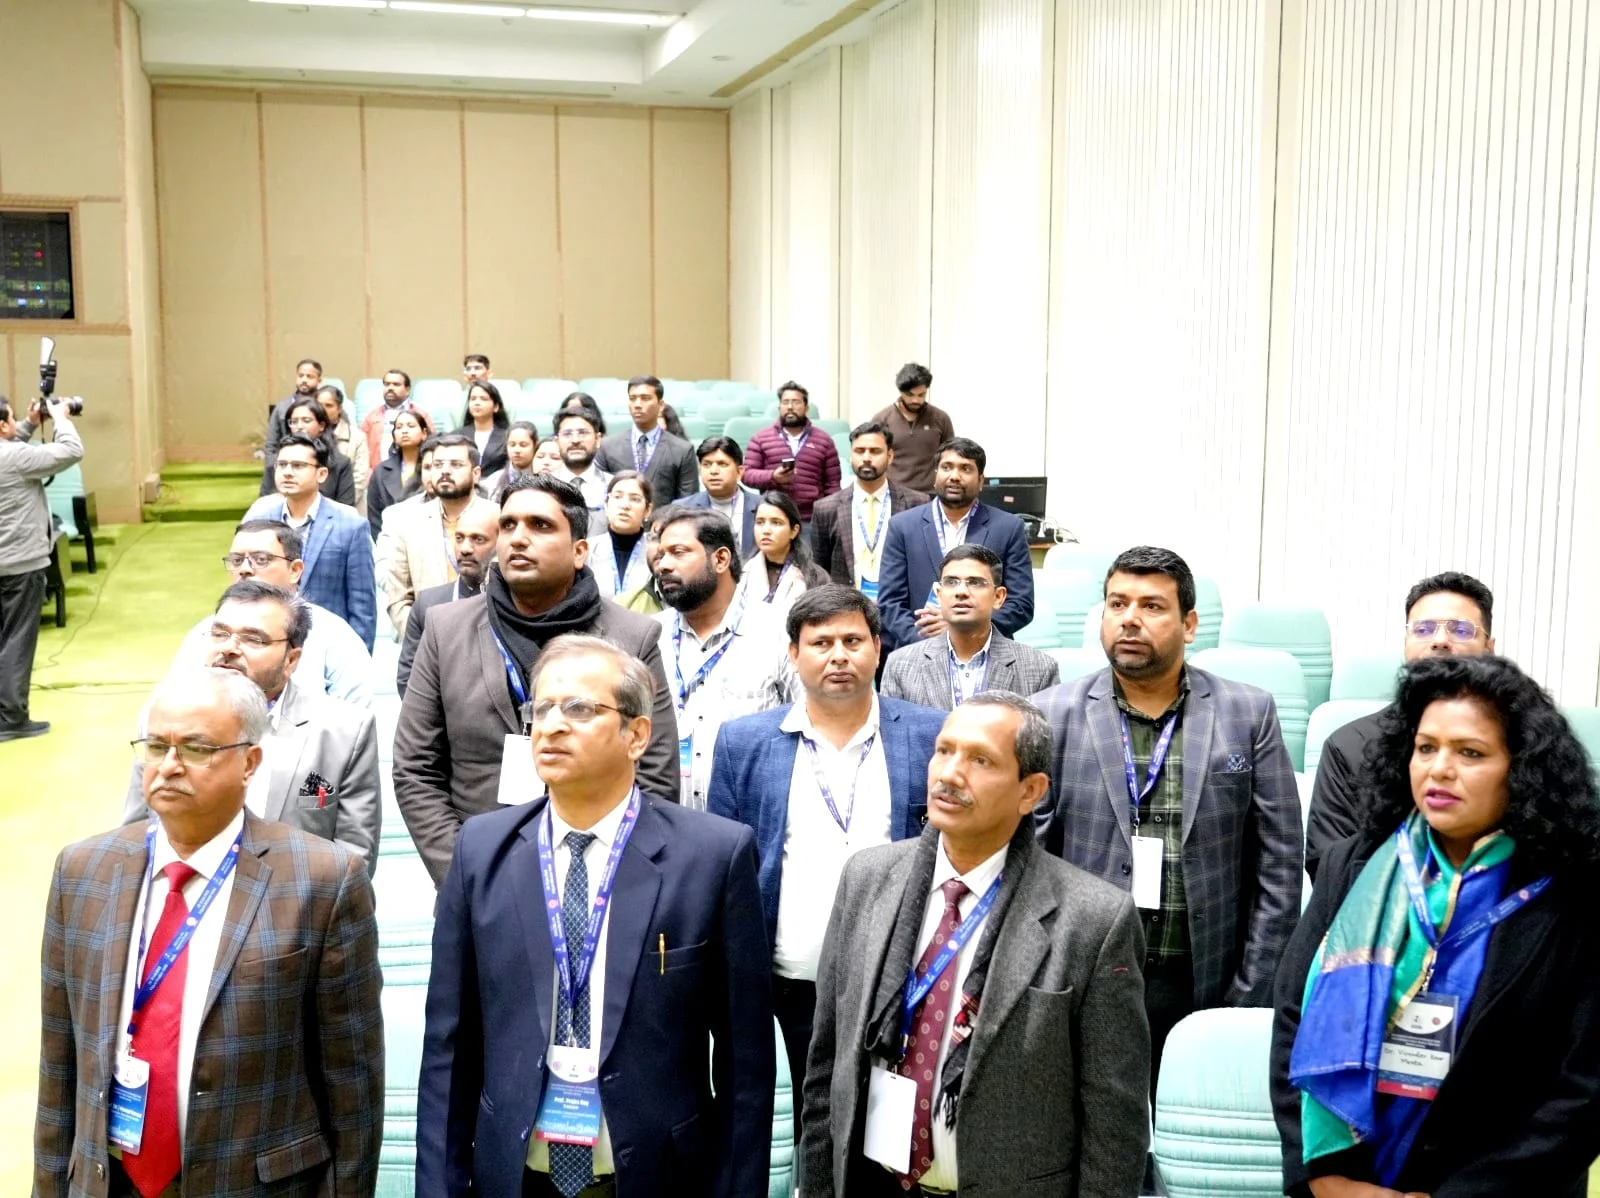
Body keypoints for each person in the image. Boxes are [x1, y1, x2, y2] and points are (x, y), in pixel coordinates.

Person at [416, 634, 774, 1197]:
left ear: (637, 735)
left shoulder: (712, 856)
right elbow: (448, 1048)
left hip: (659, 1175)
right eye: (542, 709)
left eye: (579, 709)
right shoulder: (482, 850)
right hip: (514, 1175)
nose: (552, 726)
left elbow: (745, 1066)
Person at [34, 666, 383, 1197]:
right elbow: (59, 1066)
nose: (169, 766)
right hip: (108, 1181)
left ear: (250, 762)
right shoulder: (82, 872)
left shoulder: (323, 880)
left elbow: (352, 1083)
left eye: (196, 749)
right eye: (156, 746)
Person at [1272, 654, 1600, 1198]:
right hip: (1354, 1177)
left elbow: (1583, 1087)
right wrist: (1322, 1177)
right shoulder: (1353, 866)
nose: (1439, 769)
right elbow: (1292, 1022)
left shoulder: (1574, 892)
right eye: (1426, 748)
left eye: (1470, 753)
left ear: (1522, 769)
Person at [800, 692, 1150, 1196]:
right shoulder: (867, 880)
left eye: (980, 760)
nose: (950, 773)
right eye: (944, 750)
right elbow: (826, 1066)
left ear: (1030, 791)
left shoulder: (1094, 921)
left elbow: (1114, 1125)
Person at [1032, 545, 1303, 1091]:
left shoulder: (1248, 713)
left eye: (1152, 606)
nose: (1130, 619)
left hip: (1204, 979)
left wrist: (1248, 992)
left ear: (1190, 624)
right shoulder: (1051, 713)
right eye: (1117, 604)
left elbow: (1278, 865)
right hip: (1083, 976)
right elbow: (1029, 859)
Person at [708, 585, 944, 1115]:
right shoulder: (743, 743)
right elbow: (725, 874)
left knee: (884, 1135)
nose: (839, 655)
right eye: (821, 643)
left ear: (877, 649)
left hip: (899, 985)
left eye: (852, 641)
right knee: (794, 1127)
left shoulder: (931, 735)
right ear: (794, 653)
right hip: (787, 988)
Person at [392, 475, 681, 885]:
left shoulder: (633, 637)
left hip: (598, 877)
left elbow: (654, 773)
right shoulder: (445, 628)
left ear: (580, 551)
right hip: (478, 874)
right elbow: (415, 768)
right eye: (508, 525)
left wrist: (602, 874)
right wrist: (467, 873)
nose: (518, 538)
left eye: (540, 525)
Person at [124, 580, 381, 871]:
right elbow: (135, 831)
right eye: (220, 634)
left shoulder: (344, 730)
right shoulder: (162, 716)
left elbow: (354, 859)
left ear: (291, 660)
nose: (229, 648)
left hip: (291, 895)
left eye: (253, 639)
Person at [1306, 571, 1497, 881]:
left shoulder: (1519, 740)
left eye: (1460, 630)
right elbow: (1329, 869)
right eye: (1423, 629)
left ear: (1489, 648)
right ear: (1406, 643)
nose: (1440, 641)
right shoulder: (1350, 746)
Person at [651, 507, 794, 808]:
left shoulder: (779, 633)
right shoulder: (650, 636)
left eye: (678, 552)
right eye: (661, 554)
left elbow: (808, 727)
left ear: (720, 559)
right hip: (665, 818)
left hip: (753, 818)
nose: (663, 565)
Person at [173, 519, 373, 707]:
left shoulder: (334, 636)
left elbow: (353, 719)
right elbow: (175, 705)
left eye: (261, 559)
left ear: (295, 570)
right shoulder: (204, 632)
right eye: (236, 560)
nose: (245, 569)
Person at [876, 437, 1035, 653]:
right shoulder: (902, 526)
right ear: (935, 476)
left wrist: (966, 630)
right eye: (947, 467)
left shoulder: (1008, 528)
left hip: (987, 652)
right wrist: (926, 642)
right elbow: (890, 603)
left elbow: (1021, 604)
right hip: (918, 650)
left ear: (981, 480)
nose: (954, 476)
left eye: (965, 469)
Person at [883, 543, 1060, 710]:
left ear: (998, 597)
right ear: (939, 595)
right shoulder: (900, 666)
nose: (961, 592)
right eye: (951, 582)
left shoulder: (1039, 669)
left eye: (975, 582)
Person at [0, 392, 82, 742]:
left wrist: (31, 423)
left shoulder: (11, 453)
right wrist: (61, 417)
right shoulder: (16, 457)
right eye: (11, 418)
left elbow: (9, 445)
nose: (15, 422)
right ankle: (11, 718)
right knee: (16, 641)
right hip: (19, 564)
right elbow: (71, 451)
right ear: (2, 425)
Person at [243, 435, 376, 649]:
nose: (287, 472)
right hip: (265, 643)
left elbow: (362, 604)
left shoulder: (350, 525)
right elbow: (244, 587)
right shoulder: (258, 520)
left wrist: (359, 657)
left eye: (298, 466)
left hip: (327, 646)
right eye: (282, 465)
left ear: (321, 474)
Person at [380, 434, 500, 636]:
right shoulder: (408, 522)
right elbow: (399, 598)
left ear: (476, 473)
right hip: (427, 638)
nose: (445, 471)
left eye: (455, 464)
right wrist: (425, 640)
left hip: (488, 636)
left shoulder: (498, 516)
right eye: (438, 465)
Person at [810, 421, 929, 595]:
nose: (866, 457)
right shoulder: (826, 508)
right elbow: (820, 569)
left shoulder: (917, 503)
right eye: (859, 451)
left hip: (898, 603)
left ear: (890, 456)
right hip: (844, 604)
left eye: (875, 451)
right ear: (851, 455)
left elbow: (922, 563)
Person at [398, 502, 499, 697]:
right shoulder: (428, 604)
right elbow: (407, 680)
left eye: (478, 539)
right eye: (459, 538)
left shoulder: (516, 602)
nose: (465, 548)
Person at [739, 381, 841, 523]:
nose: (790, 407)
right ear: (779, 407)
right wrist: (773, 477)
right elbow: (747, 474)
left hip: (811, 518)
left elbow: (833, 485)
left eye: (796, 402)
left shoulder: (824, 440)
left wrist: (829, 517)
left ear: (806, 407)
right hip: (774, 515)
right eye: (785, 402)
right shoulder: (760, 438)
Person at [593, 375, 698, 503]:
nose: (637, 404)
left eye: (645, 398)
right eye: (632, 399)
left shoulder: (682, 450)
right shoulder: (608, 446)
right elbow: (601, 496)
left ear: (661, 405)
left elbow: (688, 502)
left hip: (664, 515)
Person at [735, 490, 832, 616]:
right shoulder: (742, 573)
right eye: (760, 522)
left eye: (776, 522)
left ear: (794, 531)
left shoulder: (815, 577)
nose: (766, 530)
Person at [870, 362, 955, 495]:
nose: (916, 400)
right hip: (893, 493)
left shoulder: (940, 418)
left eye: (921, 395)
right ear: (901, 391)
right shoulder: (882, 419)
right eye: (910, 395)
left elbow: (951, 456)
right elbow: (874, 458)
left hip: (930, 493)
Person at [678, 435, 759, 557]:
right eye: (707, 464)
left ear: (739, 472)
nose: (713, 471)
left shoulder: (761, 506)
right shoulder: (682, 509)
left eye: (722, 464)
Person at [365, 403, 435, 540]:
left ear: (424, 433)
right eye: (399, 427)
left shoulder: (435, 468)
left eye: (411, 426)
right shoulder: (381, 471)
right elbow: (375, 517)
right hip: (391, 540)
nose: (404, 431)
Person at [258, 357, 323, 495]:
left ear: (319, 380)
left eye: (309, 376)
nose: (304, 380)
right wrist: (274, 469)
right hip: (285, 471)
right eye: (301, 375)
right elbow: (271, 444)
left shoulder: (325, 406)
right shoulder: (281, 408)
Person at [275, 397, 355, 507]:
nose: (299, 427)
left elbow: (346, 507)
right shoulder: (281, 459)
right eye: (294, 422)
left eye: (306, 421)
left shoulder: (340, 463)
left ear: (321, 425)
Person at [588, 472, 654, 599]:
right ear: (606, 505)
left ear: (647, 510)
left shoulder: (657, 551)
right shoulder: (587, 549)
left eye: (635, 499)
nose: (625, 505)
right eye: (617, 497)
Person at [551, 409, 611, 533]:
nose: (575, 440)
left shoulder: (613, 487)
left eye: (583, 433)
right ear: (556, 442)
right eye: (567, 434)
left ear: (598, 439)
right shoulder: (542, 488)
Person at [316, 384, 370, 510]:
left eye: (329, 405)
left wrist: (338, 509)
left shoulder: (357, 437)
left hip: (348, 506)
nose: (323, 410)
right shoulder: (308, 433)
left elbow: (359, 479)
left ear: (339, 408)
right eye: (319, 405)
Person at [359, 367, 414, 465]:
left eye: (396, 384)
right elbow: (360, 449)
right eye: (387, 384)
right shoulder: (372, 416)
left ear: (407, 390)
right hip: (377, 471)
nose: (390, 388)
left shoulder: (420, 414)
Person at [456, 380, 511, 477]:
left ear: (496, 407)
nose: (477, 403)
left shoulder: (508, 437)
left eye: (483, 399)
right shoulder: (456, 436)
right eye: (473, 399)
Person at [479, 419, 540, 498]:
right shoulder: (493, 482)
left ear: (536, 445)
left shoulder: (544, 478)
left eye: (523, 445)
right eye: (512, 445)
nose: (517, 450)